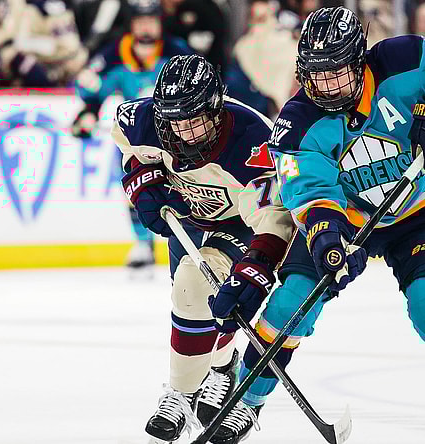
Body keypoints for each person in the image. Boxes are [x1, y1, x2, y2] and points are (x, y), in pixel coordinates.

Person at [209, 6, 425, 444]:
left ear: (359, 60)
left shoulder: (406, 59)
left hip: (420, 213)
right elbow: (311, 193)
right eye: (317, 75)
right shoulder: (296, 123)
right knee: (288, 305)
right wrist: (329, 242)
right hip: (347, 222)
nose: (327, 87)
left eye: (337, 73)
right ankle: (246, 402)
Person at [111, 54, 294, 443]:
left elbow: (273, 218)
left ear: (216, 109)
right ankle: (221, 365)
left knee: (198, 288)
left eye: (194, 121)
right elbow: (127, 143)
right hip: (189, 219)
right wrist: (143, 182)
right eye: (175, 122)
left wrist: (257, 265)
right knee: (192, 302)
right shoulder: (146, 119)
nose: (184, 133)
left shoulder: (252, 143)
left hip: (238, 224)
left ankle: (179, 393)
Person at [74, 0, 193, 271]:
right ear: (131, 24)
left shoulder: (178, 52)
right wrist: (87, 114)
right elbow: (93, 91)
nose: (146, 26)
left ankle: (189, 239)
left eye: (151, 20)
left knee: (187, 187)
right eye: (140, 21)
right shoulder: (114, 54)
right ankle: (142, 243)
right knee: (135, 188)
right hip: (136, 137)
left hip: (178, 136)